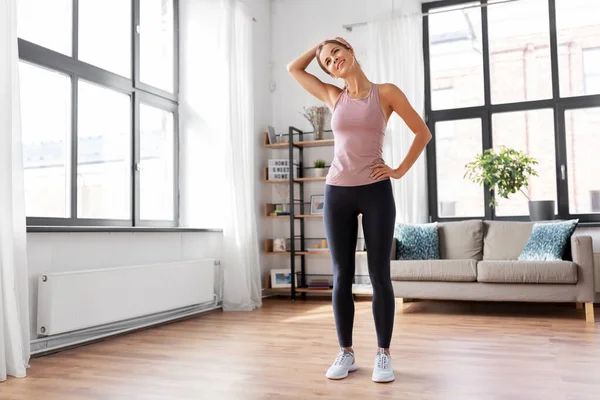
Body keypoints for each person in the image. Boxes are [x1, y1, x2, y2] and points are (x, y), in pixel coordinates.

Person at [286, 37, 431, 383]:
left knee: (380, 275)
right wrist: (317, 46)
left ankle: (383, 354)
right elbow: (294, 69)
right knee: (342, 276)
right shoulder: (333, 96)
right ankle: (346, 352)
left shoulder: (386, 93)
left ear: (351, 51)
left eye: (336, 52)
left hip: (376, 191)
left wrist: (397, 170)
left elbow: (422, 133)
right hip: (337, 193)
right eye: (326, 61)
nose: (332, 59)